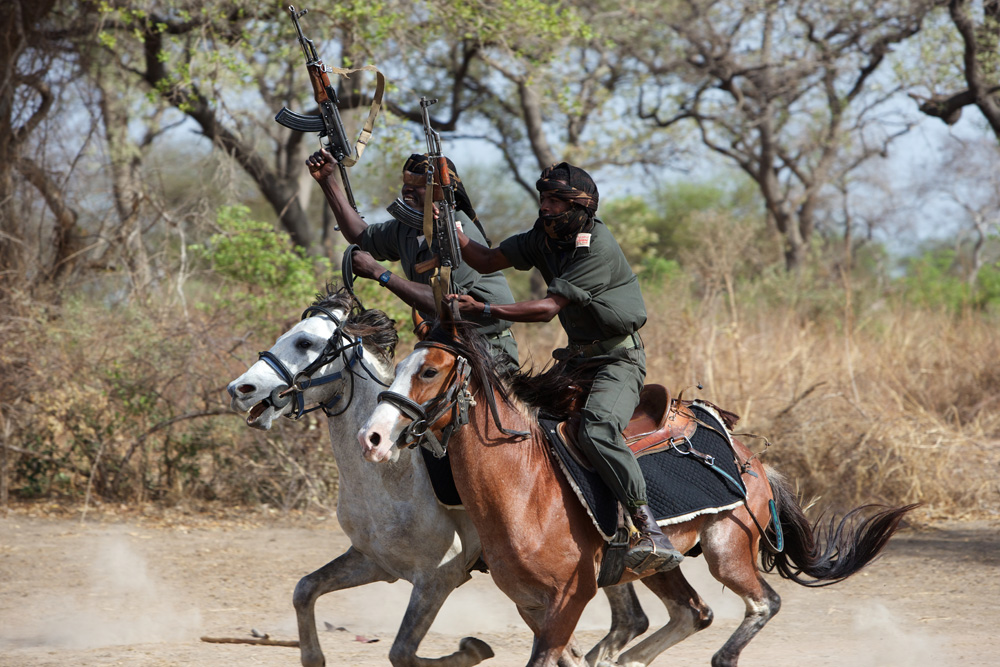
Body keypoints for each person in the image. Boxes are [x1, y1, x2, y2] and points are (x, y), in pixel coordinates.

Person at [447, 162, 682, 574]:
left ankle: (648, 526)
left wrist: (483, 308)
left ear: (579, 206)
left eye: (556, 200)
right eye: (543, 199)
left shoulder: (596, 247)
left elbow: (545, 310)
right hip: (577, 359)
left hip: (618, 361)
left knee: (596, 428)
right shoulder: (543, 238)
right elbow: (485, 261)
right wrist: (450, 226)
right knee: (521, 423)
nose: (546, 207)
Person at [306, 149, 519, 367]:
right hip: (443, 345)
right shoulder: (407, 227)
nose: (407, 188)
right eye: (406, 180)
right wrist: (327, 180)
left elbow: (444, 303)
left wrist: (380, 273)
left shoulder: (460, 234)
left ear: (439, 191)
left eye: (418, 183)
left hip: (488, 350)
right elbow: (362, 237)